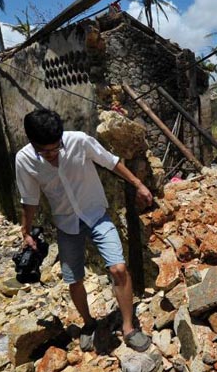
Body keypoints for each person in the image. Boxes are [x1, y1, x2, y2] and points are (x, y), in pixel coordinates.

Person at [15, 109, 153, 352]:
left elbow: (112, 162)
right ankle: (89, 323)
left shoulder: (79, 140)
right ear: (31, 142)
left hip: (96, 214)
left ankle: (129, 328)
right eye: (44, 151)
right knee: (74, 279)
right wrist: (26, 231)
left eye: (55, 148)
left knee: (118, 268)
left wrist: (139, 185)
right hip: (66, 224)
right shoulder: (24, 160)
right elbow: (30, 199)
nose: (50, 156)